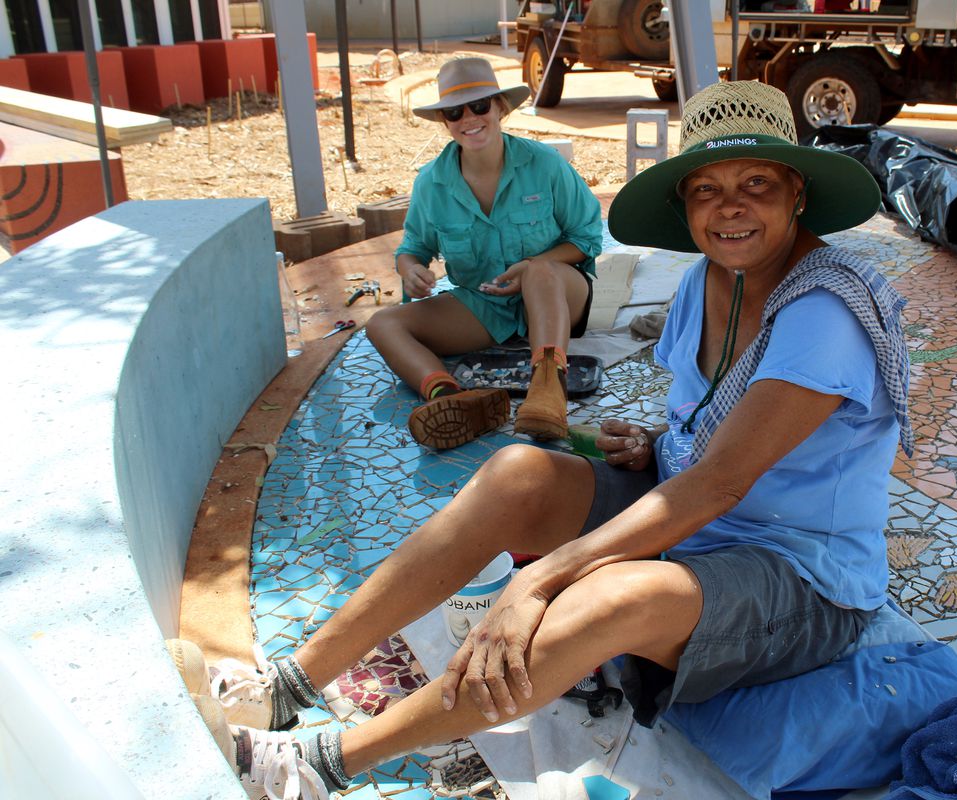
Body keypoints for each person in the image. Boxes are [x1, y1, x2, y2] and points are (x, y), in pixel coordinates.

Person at [176, 80, 913, 800]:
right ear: (685, 203)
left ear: (797, 191)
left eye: (756, 182)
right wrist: (661, 442)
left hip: (800, 575)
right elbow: (724, 429)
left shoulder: (826, 312)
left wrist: (543, 575)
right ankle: (288, 685)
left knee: (609, 598)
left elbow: (721, 484)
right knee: (518, 474)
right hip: (703, 520)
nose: (730, 207)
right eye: (706, 188)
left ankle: (318, 766)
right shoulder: (709, 279)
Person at [365, 57, 603, 449]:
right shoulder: (431, 184)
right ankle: (454, 400)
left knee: (539, 271)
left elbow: (586, 238)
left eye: (480, 106)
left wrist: (529, 267)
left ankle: (548, 393)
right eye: (455, 111)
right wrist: (411, 271)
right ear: (444, 120)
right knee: (382, 324)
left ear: (500, 108)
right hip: (483, 306)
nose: (469, 118)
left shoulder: (544, 164)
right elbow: (413, 249)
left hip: (559, 296)